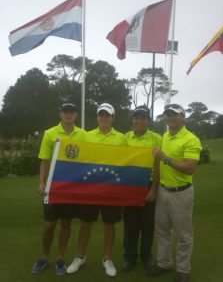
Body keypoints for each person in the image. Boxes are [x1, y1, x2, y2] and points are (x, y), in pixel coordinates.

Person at [66, 103, 126, 277]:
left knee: (109, 224)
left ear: (113, 118)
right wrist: (61, 146)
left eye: (107, 115)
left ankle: (107, 259)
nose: (104, 118)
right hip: (90, 188)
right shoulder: (86, 136)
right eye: (101, 115)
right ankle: (80, 257)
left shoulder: (122, 138)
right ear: (97, 117)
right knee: (85, 223)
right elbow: (75, 155)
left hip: (111, 188)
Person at [31, 102, 86, 275]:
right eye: (65, 111)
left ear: (76, 115)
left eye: (72, 111)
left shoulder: (83, 135)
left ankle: (60, 258)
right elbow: (44, 160)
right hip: (53, 187)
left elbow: (87, 160)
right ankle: (45, 257)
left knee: (66, 223)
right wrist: (42, 183)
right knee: (49, 225)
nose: (68, 114)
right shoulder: (50, 133)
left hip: (72, 188)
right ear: (60, 114)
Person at [149, 103, 202, 282]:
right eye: (168, 114)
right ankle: (164, 263)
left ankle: (183, 269)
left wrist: (166, 158)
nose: (170, 117)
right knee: (162, 231)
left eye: (174, 114)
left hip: (181, 193)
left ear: (183, 116)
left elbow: (190, 167)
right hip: (164, 191)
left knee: (184, 234)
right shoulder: (165, 135)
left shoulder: (191, 139)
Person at [122, 105, 162, 272]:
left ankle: (146, 256)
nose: (139, 120)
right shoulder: (126, 138)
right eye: (136, 117)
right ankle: (129, 257)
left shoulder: (156, 138)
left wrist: (154, 189)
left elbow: (158, 166)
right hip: (130, 187)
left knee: (147, 225)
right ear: (133, 119)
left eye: (143, 117)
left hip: (148, 185)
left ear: (148, 120)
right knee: (130, 224)